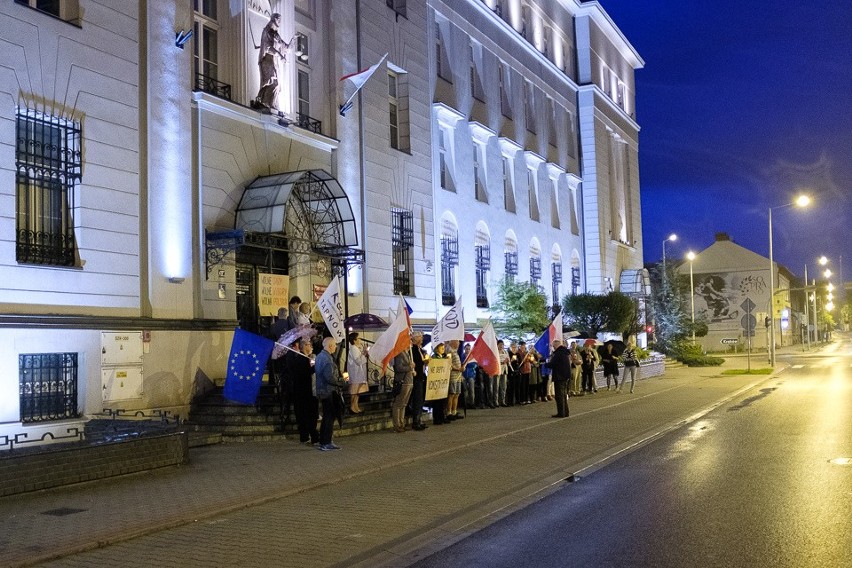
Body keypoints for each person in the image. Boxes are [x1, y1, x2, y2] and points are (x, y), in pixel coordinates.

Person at [253, 13, 292, 113]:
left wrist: (294, 39)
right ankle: (265, 102)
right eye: (278, 19)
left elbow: (286, 47)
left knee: (277, 85)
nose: (280, 21)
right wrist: (279, 55)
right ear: (273, 19)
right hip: (266, 61)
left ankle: (271, 103)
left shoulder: (276, 34)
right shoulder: (267, 31)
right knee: (271, 82)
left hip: (274, 62)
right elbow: (268, 48)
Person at [315, 337, 347, 450]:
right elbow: (330, 378)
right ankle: (326, 442)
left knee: (327, 416)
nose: (336, 347)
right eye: (334, 345)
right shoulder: (327, 359)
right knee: (330, 416)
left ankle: (323, 440)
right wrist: (341, 381)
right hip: (329, 391)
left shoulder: (319, 356)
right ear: (330, 346)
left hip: (322, 390)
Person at [287, 338, 318, 445]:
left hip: (302, 391)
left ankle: (306, 436)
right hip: (303, 392)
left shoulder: (304, 358)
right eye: (309, 345)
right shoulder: (301, 359)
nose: (311, 347)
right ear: (304, 346)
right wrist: (314, 368)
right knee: (307, 414)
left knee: (304, 414)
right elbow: (304, 374)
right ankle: (310, 436)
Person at [391, 342, 415, 432]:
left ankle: (401, 423)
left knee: (404, 404)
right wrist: (409, 367)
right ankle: (397, 425)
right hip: (403, 382)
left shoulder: (407, 353)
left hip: (409, 382)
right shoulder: (399, 354)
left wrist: (412, 370)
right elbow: (398, 368)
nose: (411, 343)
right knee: (398, 404)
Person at [409, 331, 429, 430]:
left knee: (421, 400)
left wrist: (425, 362)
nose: (421, 339)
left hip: (422, 376)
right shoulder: (412, 349)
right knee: (417, 399)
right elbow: (413, 362)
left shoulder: (419, 349)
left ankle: (419, 419)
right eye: (419, 337)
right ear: (414, 338)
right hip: (416, 378)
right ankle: (415, 421)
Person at [547, 340, 571, 417]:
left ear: (556, 345)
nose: (553, 348)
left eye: (553, 346)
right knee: (563, 395)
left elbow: (553, 364)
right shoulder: (565, 352)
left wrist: (545, 364)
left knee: (559, 396)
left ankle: (561, 413)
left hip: (559, 376)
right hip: (565, 376)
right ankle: (566, 412)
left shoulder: (558, 353)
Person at [347, 332, 368, 413]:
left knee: (357, 392)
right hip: (355, 373)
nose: (360, 340)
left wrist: (364, 352)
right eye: (359, 338)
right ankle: (352, 407)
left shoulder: (356, 348)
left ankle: (356, 406)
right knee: (354, 391)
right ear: (354, 340)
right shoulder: (353, 348)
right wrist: (363, 353)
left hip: (358, 373)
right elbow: (358, 361)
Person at [430, 343, 450, 425]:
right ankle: (437, 418)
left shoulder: (443, 356)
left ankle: (442, 416)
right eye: (441, 347)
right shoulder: (434, 357)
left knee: (442, 400)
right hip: (437, 381)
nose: (443, 349)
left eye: (444, 347)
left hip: (442, 381)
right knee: (437, 401)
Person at [446, 339, 464, 420]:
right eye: (457, 341)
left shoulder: (455, 351)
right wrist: (457, 369)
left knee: (457, 394)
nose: (459, 343)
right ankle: (449, 412)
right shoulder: (449, 350)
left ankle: (454, 411)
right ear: (453, 342)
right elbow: (449, 363)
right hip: (453, 375)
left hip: (458, 375)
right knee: (452, 394)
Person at [461, 344, 477, 409]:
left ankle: (472, 403)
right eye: (466, 349)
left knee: (471, 389)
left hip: (471, 375)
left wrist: (468, 363)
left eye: (469, 349)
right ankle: (466, 403)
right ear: (464, 349)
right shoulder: (462, 356)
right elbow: (461, 364)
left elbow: (475, 365)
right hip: (463, 375)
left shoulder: (472, 356)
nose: (467, 350)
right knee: (465, 390)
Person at [496, 340, 509, 407]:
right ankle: (496, 401)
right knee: (497, 386)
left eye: (502, 344)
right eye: (500, 344)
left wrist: (508, 361)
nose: (501, 346)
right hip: (498, 370)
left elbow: (508, 361)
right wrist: (501, 362)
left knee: (504, 386)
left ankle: (503, 401)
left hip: (504, 370)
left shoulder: (505, 352)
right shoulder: (496, 352)